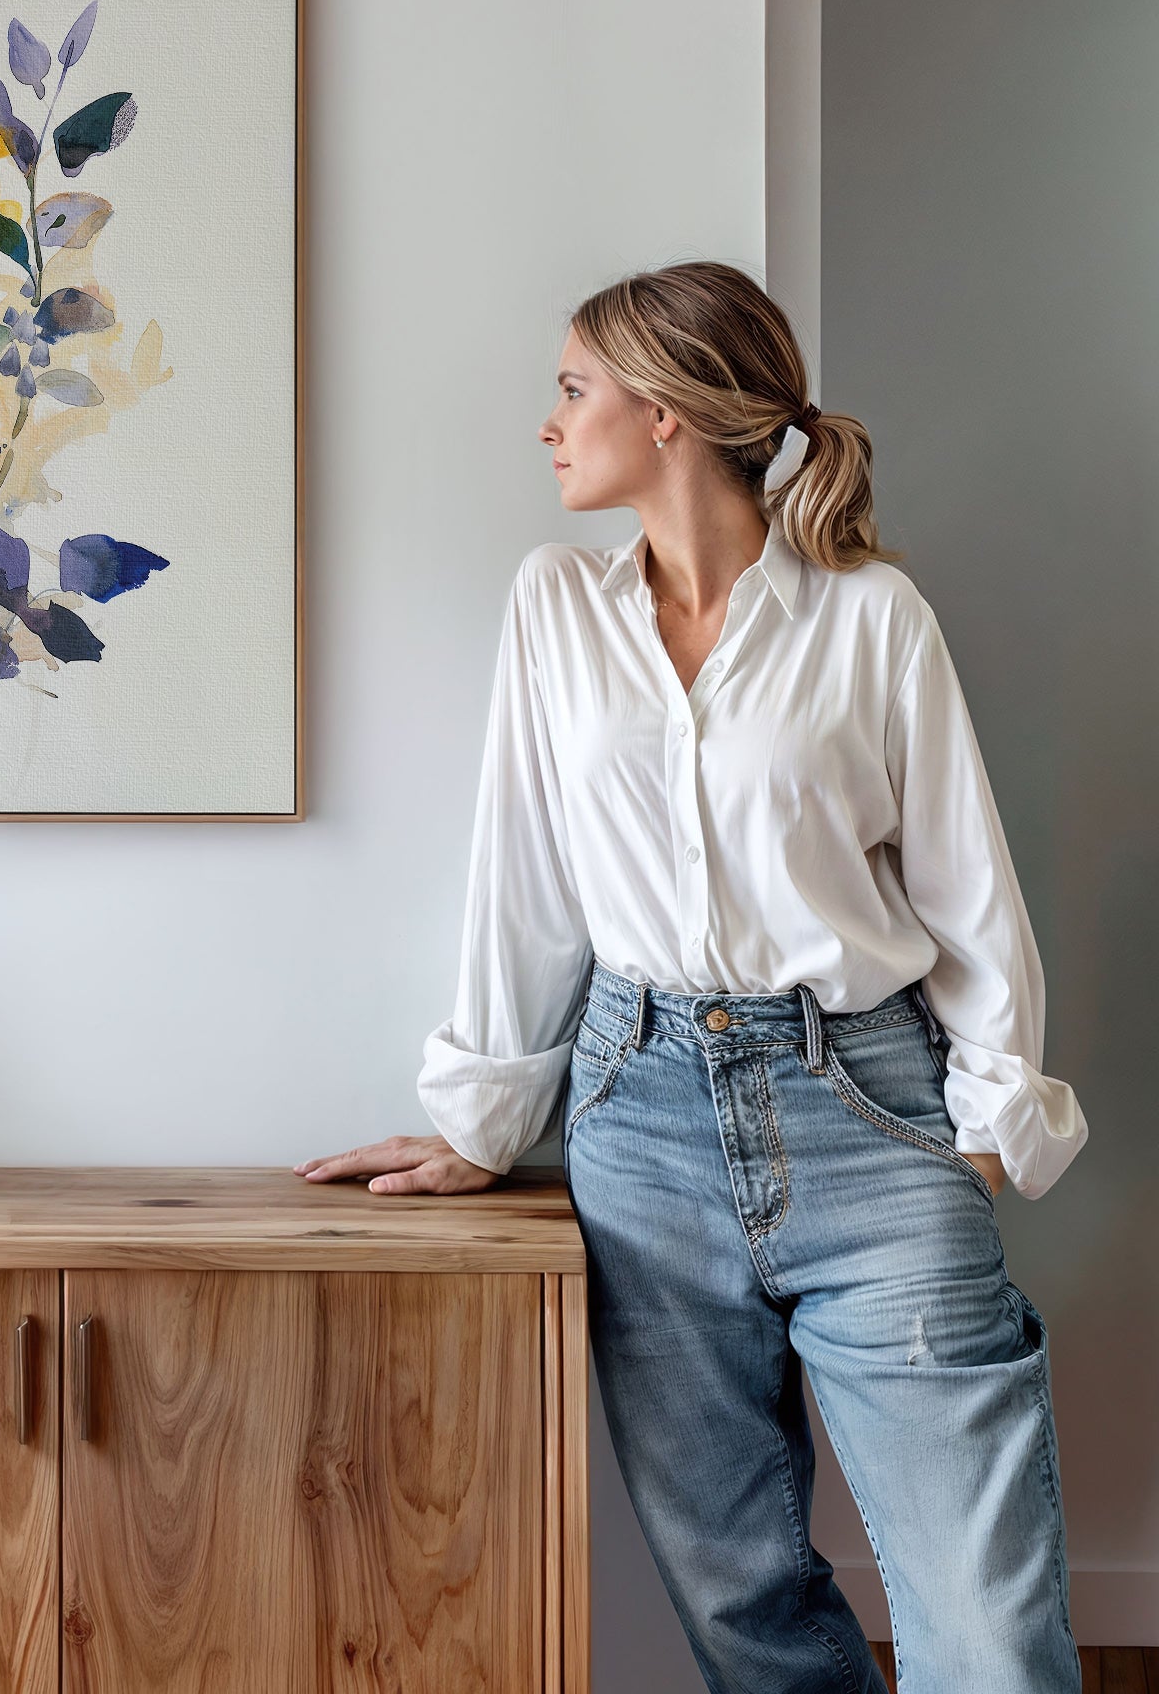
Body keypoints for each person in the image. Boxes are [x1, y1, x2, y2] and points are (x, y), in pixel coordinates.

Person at [296, 262, 1088, 1693]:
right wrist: (487, 1119)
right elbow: (522, 878)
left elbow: (969, 889)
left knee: (985, 1622)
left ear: (665, 414)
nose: (549, 423)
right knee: (743, 1606)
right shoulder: (555, 609)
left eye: (572, 388)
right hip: (638, 1117)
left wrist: (984, 1124)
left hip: (870, 1105)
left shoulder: (871, 618)